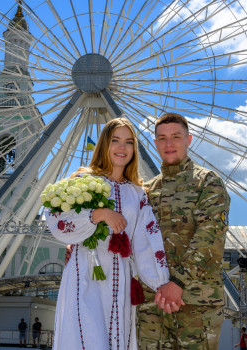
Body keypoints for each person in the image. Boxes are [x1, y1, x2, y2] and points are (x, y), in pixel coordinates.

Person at [45, 118, 170, 350]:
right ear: (104, 144)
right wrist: (98, 214)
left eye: (129, 142)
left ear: (135, 149)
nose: (122, 148)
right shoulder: (83, 181)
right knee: (88, 337)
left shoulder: (138, 194)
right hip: (85, 271)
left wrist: (161, 283)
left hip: (120, 277)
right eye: (115, 141)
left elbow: (145, 241)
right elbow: (56, 219)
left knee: (115, 337)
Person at [138, 112, 230, 349]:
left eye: (176, 137)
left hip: (196, 305)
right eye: (162, 138)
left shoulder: (207, 182)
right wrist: (78, 245)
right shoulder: (145, 191)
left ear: (188, 140)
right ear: (155, 143)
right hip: (153, 305)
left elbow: (209, 238)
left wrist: (177, 283)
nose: (169, 144)